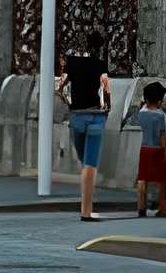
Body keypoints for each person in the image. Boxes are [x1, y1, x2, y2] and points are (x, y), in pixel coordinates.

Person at [57, 48, 112, 221]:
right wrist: (108, 105)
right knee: (90, 164)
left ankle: (85, 206)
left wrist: (67, 101)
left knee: (83, 160)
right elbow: (106, 84)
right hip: (97, 115)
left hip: (77, 115)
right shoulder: (100, 63)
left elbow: (60, 85)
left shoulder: (72, 63)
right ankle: (86, 211)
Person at [127, 80, 166, 218]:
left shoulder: (141, 113)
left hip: (144, 148)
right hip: (157, 149)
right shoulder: (159, 115)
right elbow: (162, 135)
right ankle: (163, 207)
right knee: (162, 179)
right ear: (159, 101)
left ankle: (141, 207)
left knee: (143, 178)